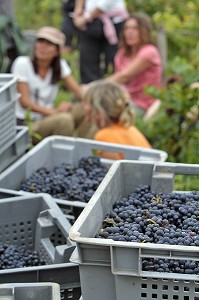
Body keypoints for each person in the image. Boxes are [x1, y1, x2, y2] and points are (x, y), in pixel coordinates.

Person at [11, 26, 85, 143]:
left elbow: (77, 91)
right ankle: (61, 158)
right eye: (40, 41)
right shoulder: (22, 63)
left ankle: (84, 151)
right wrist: (54, 111)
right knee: (64, 120)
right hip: (28, 123)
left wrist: (92, 101)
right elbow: (24, 101)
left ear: (57, 51)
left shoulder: (60, 65)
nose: (42, 47)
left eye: (49, 44)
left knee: (85, 109)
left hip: (48, 117)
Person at [107, 12, 163, 119]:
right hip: (123, 100)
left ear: (144, 31)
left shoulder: (149, 52)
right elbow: (117, 84)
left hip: (142, 106)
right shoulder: (121, 54)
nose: (129, 32)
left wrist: (94, 88)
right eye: (127, 28)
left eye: (135, 29)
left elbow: (124, 76)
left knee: (108, 113)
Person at [82, 80, 152, 159]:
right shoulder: (130, 129)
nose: (83, 106)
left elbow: (111, 170)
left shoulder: (104, 137)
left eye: (86, 103)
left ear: (98, 111)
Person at [73, 0, 129, 83]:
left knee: (114, 60)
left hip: (114, 21)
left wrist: (85, 18)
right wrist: (78, 9)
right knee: (87, 60)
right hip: (89, 22)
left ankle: (114, 91)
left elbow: (105, 5)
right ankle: (89, 91)